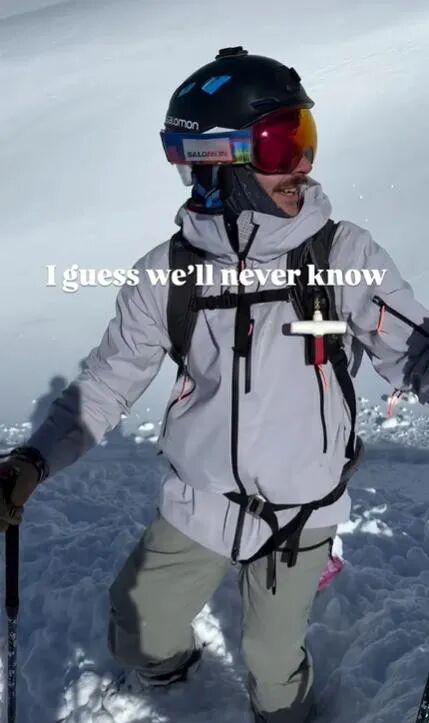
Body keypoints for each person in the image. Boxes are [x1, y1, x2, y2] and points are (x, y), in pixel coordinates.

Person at [1, 47, 429, 723]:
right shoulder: (165, 274)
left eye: (305, 138)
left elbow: (410, 347)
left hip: (301, 506)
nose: (302, 164)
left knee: (273, 676)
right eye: (282, 143)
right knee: (137, 634)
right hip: (200, 502)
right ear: (217, 157)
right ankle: (175, 670)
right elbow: (107, 382)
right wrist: (34, 459)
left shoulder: (339, 253)